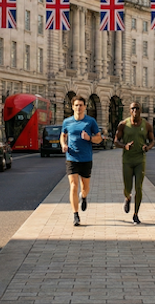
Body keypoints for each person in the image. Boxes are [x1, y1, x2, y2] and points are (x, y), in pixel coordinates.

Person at [60, 96, 102, 227]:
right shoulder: (67, 122)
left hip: (86, 158)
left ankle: (83, 197)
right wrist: (63, 144)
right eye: (76, 105)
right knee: (73, 185)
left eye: (81, 105)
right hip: (71, 158)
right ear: (72, 107)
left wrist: (89, 138)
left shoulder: (90, 121)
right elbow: (63, 135)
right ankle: (75, 215)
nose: (79, 107)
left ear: (85, 107)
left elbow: (99, 139)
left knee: (85, 187)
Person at [114, 102, 155, 225]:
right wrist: (124, 146)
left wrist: (148, 147)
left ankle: (136, 214)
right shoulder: (123, 125)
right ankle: (127, 197)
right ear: (129, 110)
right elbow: (116, 141)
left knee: (138, 188)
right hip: (127, 161)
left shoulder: (147, 125)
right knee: (128, 188)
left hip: (140, 160)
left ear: (140, 110)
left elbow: (152, 140)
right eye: (133, 108)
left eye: (137, 108)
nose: (135, 110)